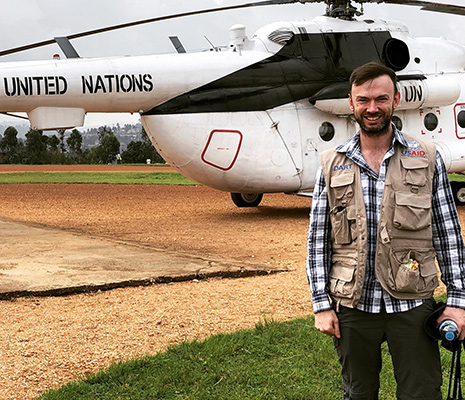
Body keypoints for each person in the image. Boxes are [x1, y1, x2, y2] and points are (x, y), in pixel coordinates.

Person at [306, 61, 465, 399]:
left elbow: (447, 232)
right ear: (351, 104)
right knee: (358, 393)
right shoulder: (331, 163)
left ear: (395, 100)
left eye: (381, 99)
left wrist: (457, 301)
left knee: (421, 393)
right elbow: (318, 238)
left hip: (412, 304)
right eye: (363, 100)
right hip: (352, 306)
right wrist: (321, 303)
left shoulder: (427, 157)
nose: (372, 108)